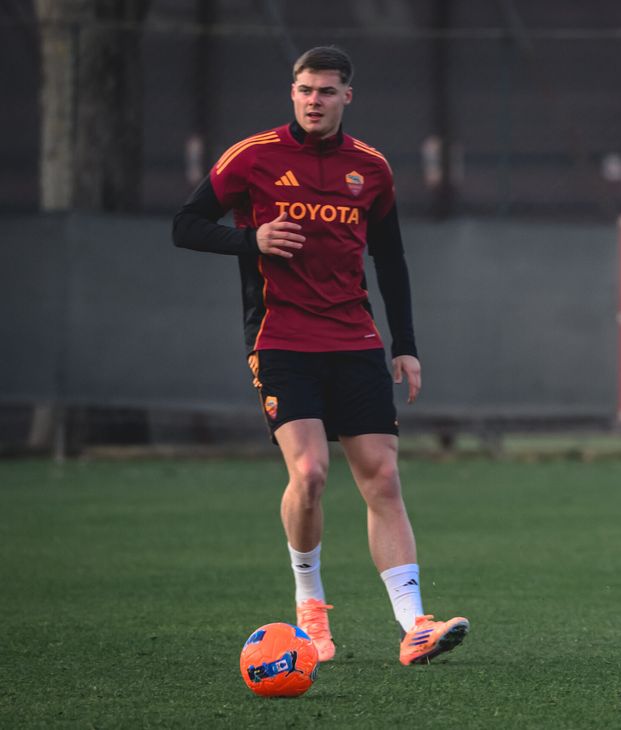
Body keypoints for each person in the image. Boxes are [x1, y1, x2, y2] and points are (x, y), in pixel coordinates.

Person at [172, 46, 468, 666]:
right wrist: (249, 239)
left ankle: (414, 625)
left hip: (355, 340)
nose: (314, 100)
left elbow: (391, 260)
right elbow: (186, 224)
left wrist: (405, 346)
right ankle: (309, 606)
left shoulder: (372, 168)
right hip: (281, 338)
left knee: (383, 478)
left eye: (326, 91)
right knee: (308, 475)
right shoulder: (252, 157)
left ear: (346, 97)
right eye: (305, 89)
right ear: (293, 92)